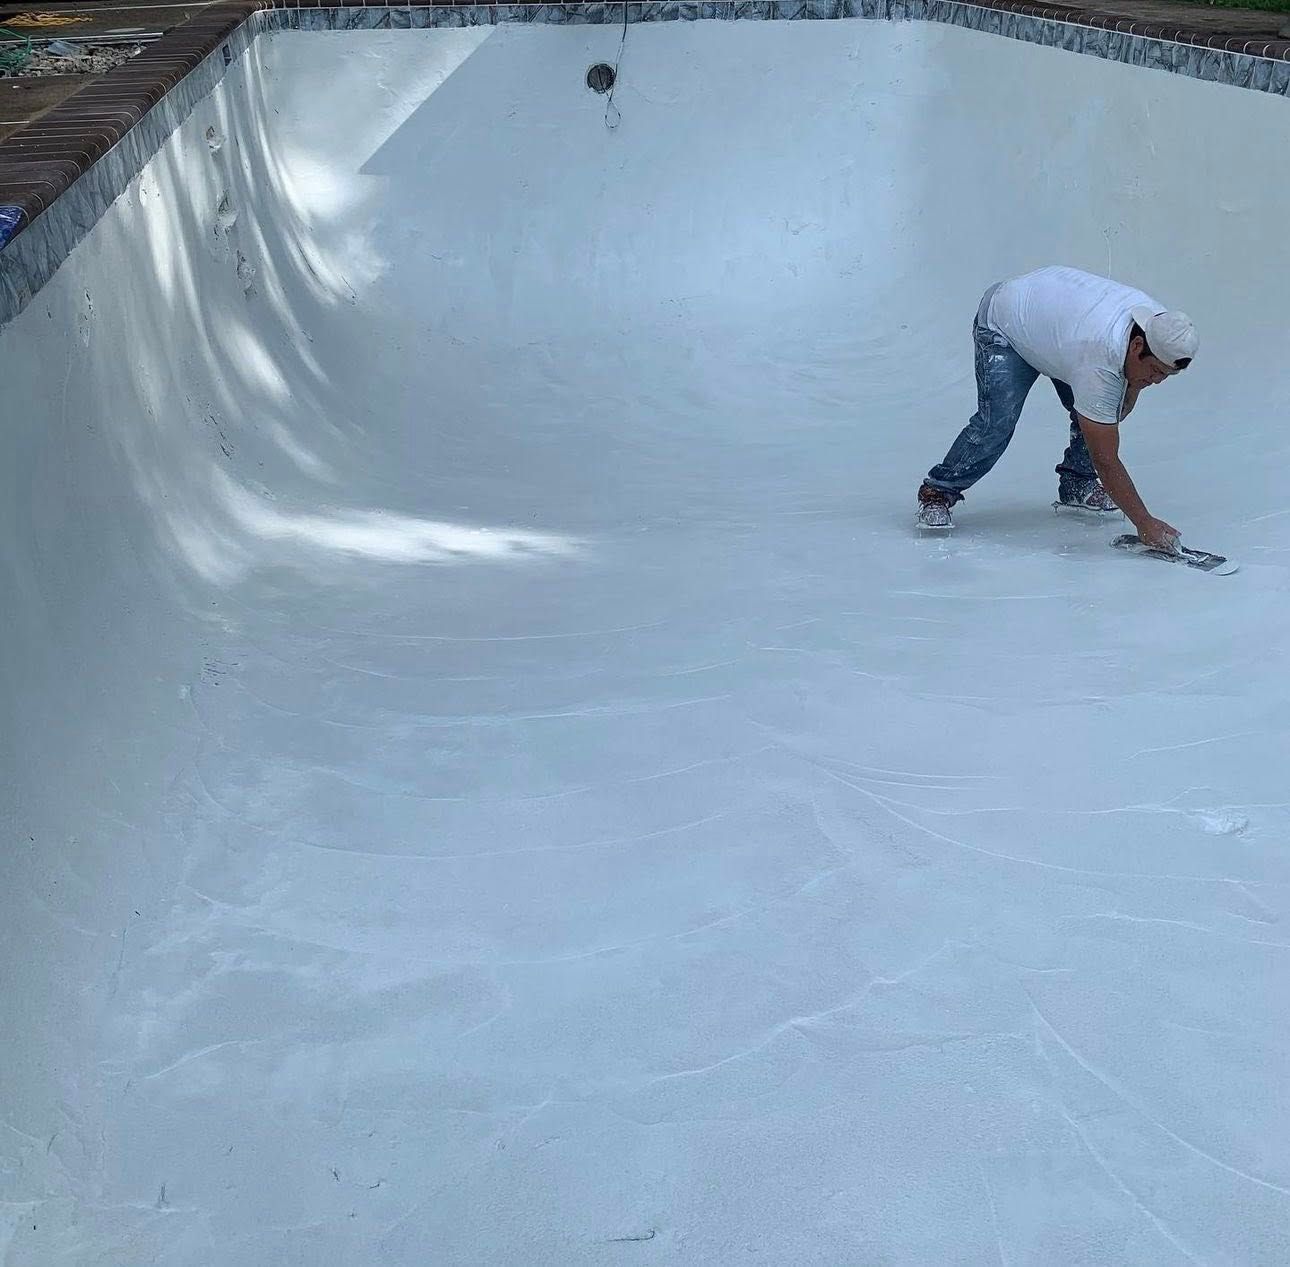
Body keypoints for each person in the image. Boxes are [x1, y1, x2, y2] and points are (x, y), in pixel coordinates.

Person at [916, 266, 1198, 550]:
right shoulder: (1098, 358)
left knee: (1100, 410)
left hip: (1055, 332)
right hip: (1005, 323)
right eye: (1153, 371)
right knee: (997, 424)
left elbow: (1118, 403)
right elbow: (1106, 458)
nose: (1158, 381)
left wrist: (1135, 384)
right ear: (1137, 346)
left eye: (1165, 374)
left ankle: (1076, 483)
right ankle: (938, 490)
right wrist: (1144, 523)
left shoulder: (1164, 329)